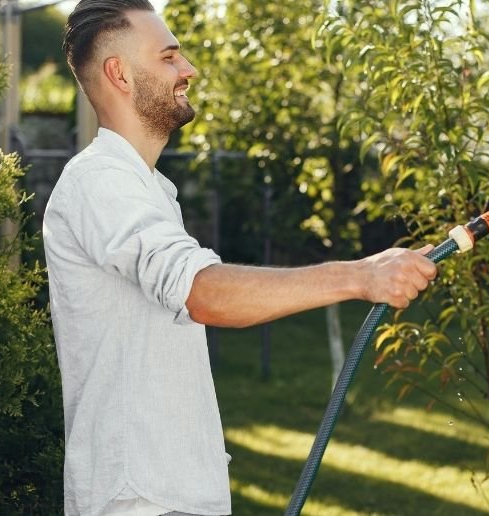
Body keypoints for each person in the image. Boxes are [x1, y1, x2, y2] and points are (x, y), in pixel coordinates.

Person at [45, 1, 438, 514]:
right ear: (118, 73)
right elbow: (204, 293)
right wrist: (361, 276)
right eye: (168, 58)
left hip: (163, 494)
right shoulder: (100, 182)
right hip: (141, 501)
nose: (188, 70)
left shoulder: (146, 189)